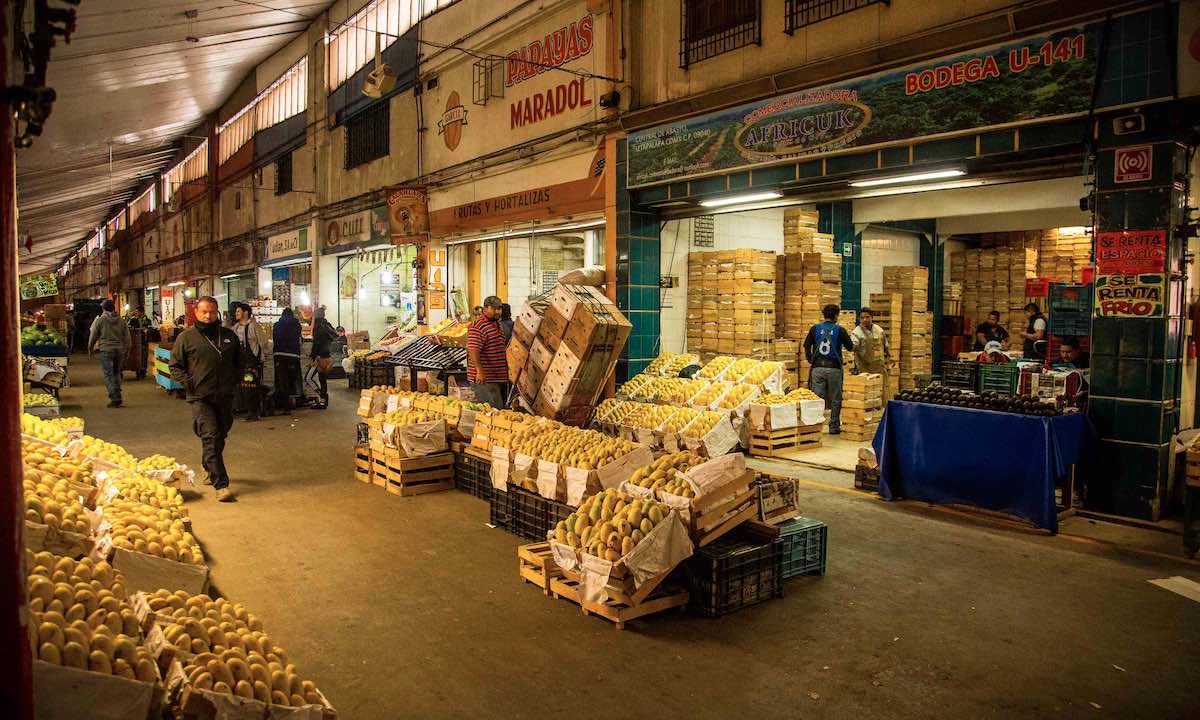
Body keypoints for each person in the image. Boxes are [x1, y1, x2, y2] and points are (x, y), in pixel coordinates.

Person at [169, 296, 242, 502]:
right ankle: (221, 485)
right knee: (210, 435)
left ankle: (206, 465)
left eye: (212, 312)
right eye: (204, 312)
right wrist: (189, 383)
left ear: (217, 312)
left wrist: (234, 381)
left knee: (221, 434)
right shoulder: (186, 337)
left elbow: (240, 362)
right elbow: (175, 366)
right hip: (200, 397)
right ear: (196, 313)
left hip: (225, 396)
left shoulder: (229, 336)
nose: (208, 316)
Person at [803, 304, 854, 435]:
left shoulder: (815, 329)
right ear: (836, 315)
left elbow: (806, 345)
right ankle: (834, 426)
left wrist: (810, 359)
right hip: (834, 369)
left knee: (817, 398)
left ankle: (815, 425)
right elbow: (850, 347)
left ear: (823, 315)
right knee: (836, 398)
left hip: (818, 368)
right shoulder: (840, 330)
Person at [467, 296, 508, 409]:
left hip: (497, 376)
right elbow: (473, 349)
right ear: (485, 309)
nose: (497, 312)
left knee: (499, 410)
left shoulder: (497, 324)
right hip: (485, 378)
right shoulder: (478, 326)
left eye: (499, 309)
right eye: (494, 309)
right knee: (493, 411)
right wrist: (479, 370)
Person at [88, 299, 131, 408]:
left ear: (103, 308)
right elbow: (128, 338)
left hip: (106, 350)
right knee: (116, 373)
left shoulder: (100, 320)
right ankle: (117, 394)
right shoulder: (122, 321)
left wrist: (90, 348)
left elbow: (93, 336)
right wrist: (127, 350)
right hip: (119, 350)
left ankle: (115, 397)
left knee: (108, 374)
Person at [232, 303, 267, 421]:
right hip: (241, 362)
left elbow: (263, 342)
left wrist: (261, 355)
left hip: (252, 362)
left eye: (238, 311)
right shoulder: (236, 327)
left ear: (245, 313)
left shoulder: (253, 326)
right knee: (244, 386)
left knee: (250, 386)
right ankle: (250, 410)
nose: (236, 314)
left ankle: (253, 412)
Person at [850, 307, 892, 401]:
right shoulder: (856, 332)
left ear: (872, 317)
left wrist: (890, 356)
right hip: (865, 368)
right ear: (859, 319)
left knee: (883, 390)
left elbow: (885, 345)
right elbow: (853, 345)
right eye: (862, 318)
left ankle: (883, 411)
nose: (865, 320)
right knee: (868, 394)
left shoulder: (879, 329)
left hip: (879, 366)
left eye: (867, 317)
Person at [273, 307, 302, 413]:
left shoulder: (277, 325)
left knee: (282, 381)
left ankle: (286, 406)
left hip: (280, 354)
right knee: (292, 380)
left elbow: (275, 338)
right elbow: (299, 338)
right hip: (293, 355)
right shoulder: (297, 325)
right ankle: (293, 400)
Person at [310, 306, 337, 409]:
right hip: (328, 357)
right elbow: (334, 335)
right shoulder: (327, 325)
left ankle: (322, 400)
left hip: (321, 357)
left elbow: (316, 344)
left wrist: (312, 356)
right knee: (323, 380)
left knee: (312, 378)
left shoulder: (318, 327)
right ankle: (324, 401)